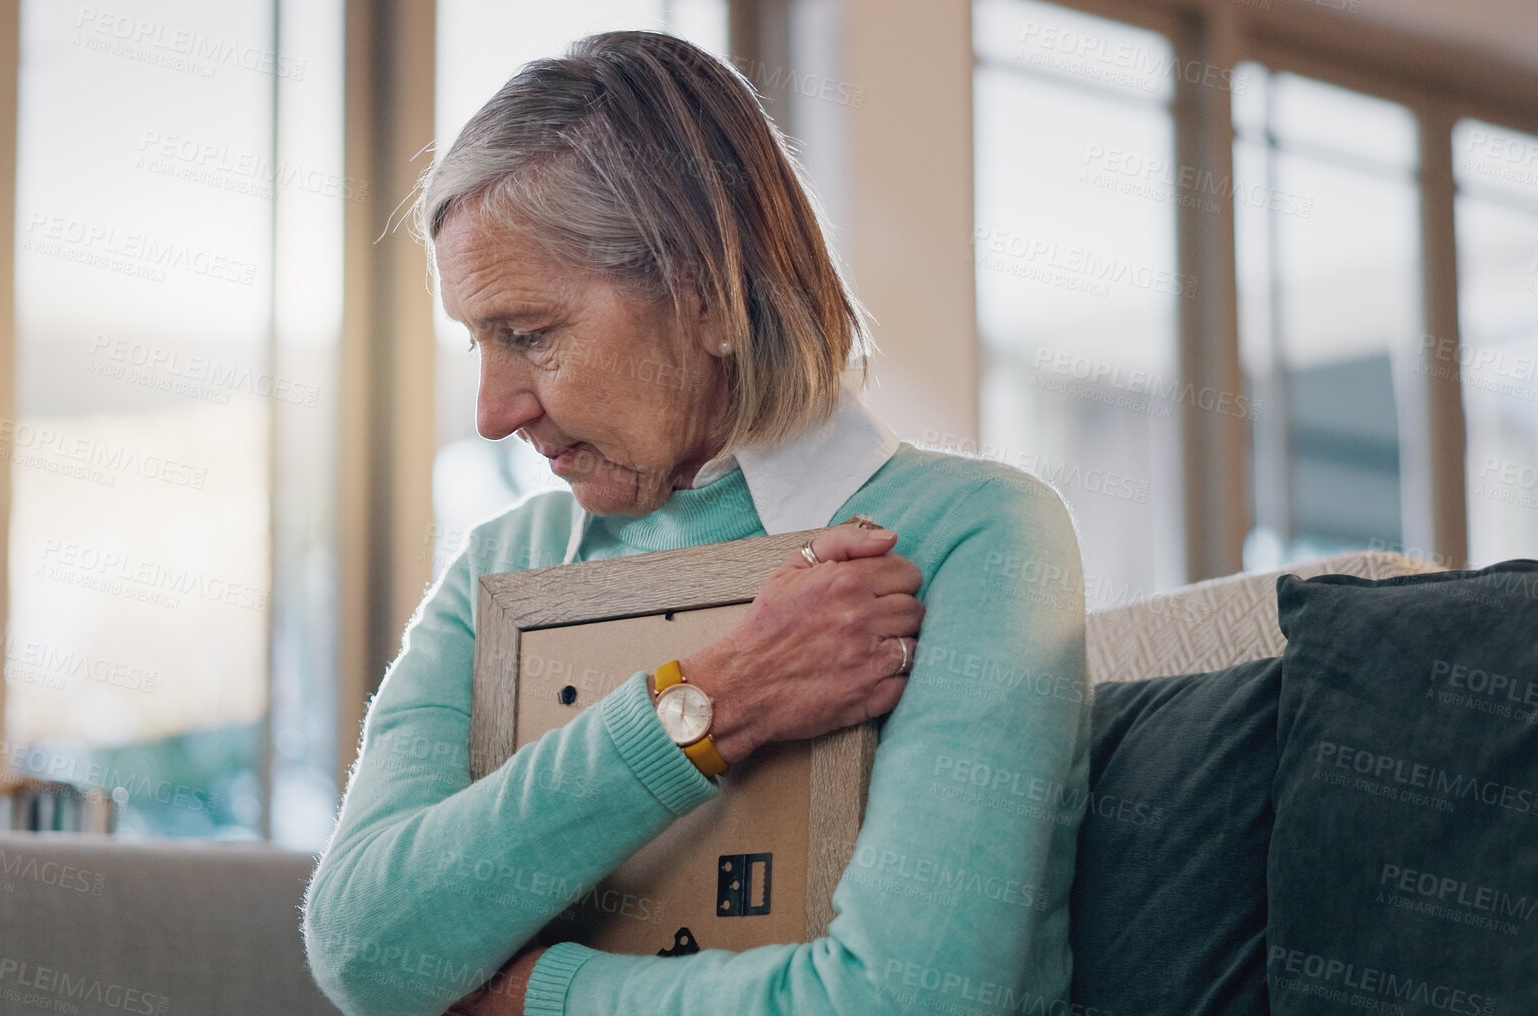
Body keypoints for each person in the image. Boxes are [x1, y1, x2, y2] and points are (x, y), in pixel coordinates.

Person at [302, 30, 1088, 1016]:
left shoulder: (978, 537)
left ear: (710, 297)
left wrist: (529, 994)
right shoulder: (502, 567)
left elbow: (904, 1000)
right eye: (476, 341)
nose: (492, 409)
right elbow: (362, 947)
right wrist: (708, 706)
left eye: (531, 335)